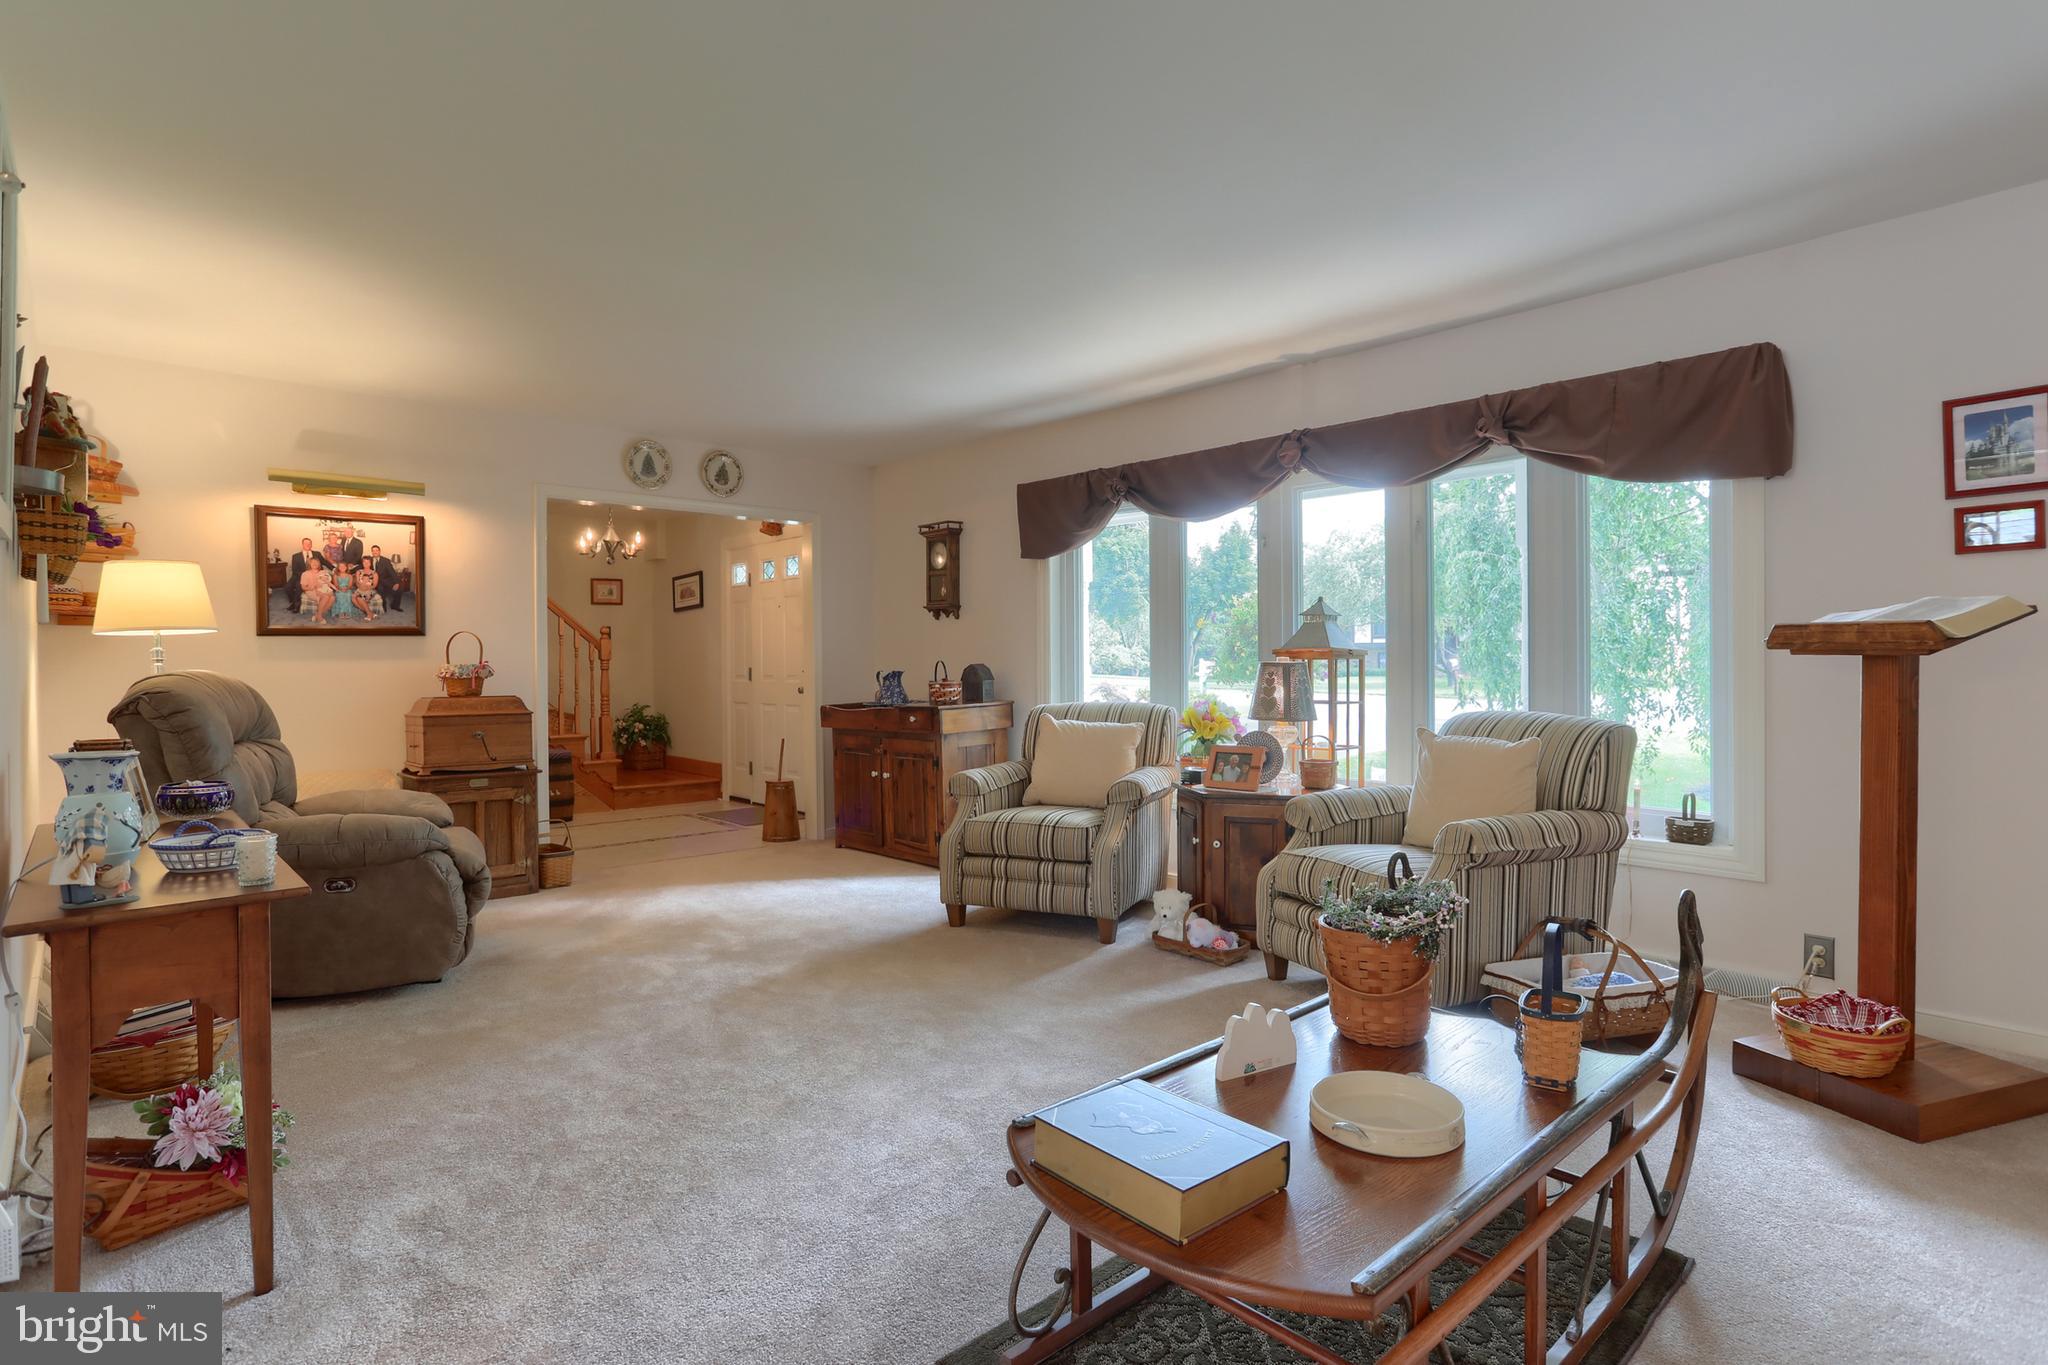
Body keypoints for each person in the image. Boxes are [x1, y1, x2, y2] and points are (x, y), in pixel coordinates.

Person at [299, 552, 336, 624]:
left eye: (316, 562)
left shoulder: (322, 572)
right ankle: (319, 617)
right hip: (311, 590)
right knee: (325, 596)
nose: (315, 564)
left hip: (322, 589)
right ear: (309, 564)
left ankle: (317, 615)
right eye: (312, 562)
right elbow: (303, 587)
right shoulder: (305, 573)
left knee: (333, 598)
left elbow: (327, 581)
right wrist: (312, 587)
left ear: (319, 564)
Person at [286, 536, 316, 614]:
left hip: (312, 576)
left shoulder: (317, 554)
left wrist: (335, 568)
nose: (308, 545)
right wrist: (304, 576)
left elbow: (324, 562)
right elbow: (295, 570)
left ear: (311, 545)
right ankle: (293, 602)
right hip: (298, 575)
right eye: (306, 543)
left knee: (299, 586)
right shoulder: (295, 556)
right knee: (287, 587)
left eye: (309, 543)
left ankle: (297, 605)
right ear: (302, 544)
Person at [366, 543, 398, 613]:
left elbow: (392, 572)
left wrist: (396, 582)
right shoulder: (369, 560)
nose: (375, 552)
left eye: (376, 550)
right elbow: (363, 567)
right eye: (373, 551)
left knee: (381, 588)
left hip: (383, 580)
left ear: (379, 551)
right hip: (371, 580)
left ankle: (384, 605)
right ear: (371, 552)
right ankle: (368, 607)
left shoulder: (386, 560)